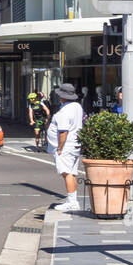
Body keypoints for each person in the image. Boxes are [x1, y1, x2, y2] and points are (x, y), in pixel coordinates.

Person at [48, 82, 86, 212]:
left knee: (66, 173)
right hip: (74, 144)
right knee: (71, 173)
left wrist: (59, 147)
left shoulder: (65, 111)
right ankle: (72, 199)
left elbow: (63, 131)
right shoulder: (77, 106)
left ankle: (72, 201)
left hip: (66, 146)